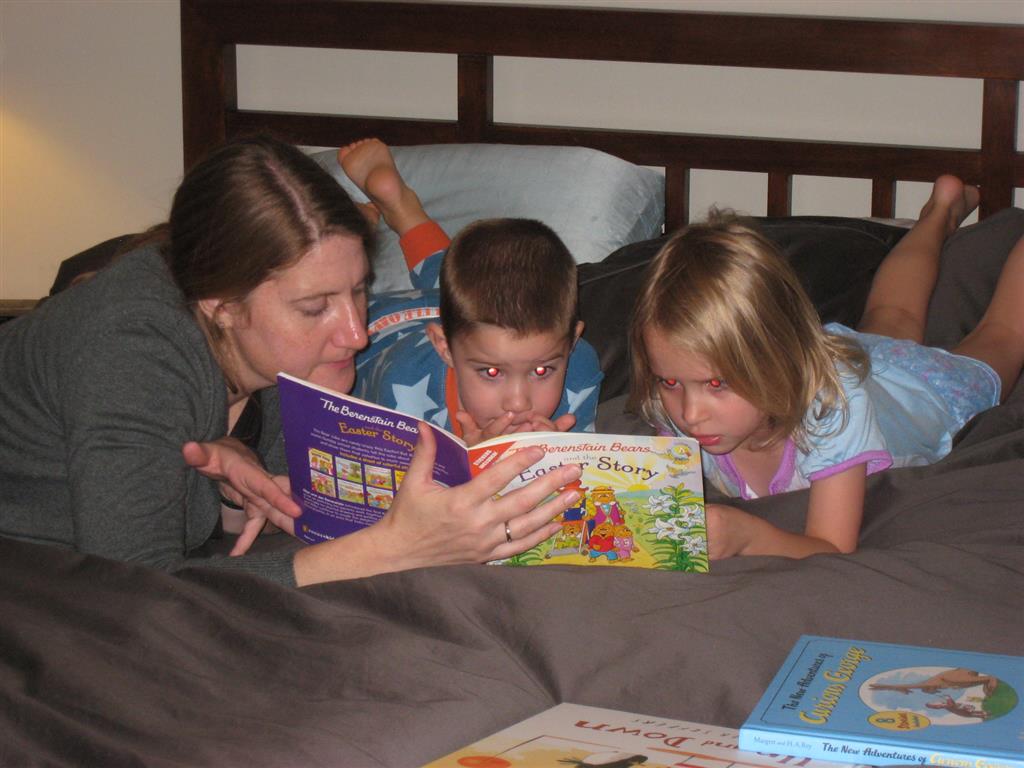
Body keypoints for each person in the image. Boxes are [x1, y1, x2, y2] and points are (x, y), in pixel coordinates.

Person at [0, 136, 583, 587]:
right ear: (223, 305)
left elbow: (292, 513)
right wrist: (391, 550)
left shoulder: (290, 368)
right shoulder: (132, 350)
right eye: (314, 307)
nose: (355, 333)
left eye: (359, 290)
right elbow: (136, 590)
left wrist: (476, 469)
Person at [629, 175, 1024, 560]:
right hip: (848, 359)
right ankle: (940, 211)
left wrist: (748, 538)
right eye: (669, 381)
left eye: (716, 384)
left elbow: (832, 546)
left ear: (777, 356)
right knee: (890, 315)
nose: (690, 414)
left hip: (920, 397)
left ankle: (944, 215)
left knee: (1002, 336)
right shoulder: (673, 408)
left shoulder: (832, 413)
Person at [339, 138, 603, 445]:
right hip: (381, 325)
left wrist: (555, 453)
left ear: (572, 342)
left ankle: (397, 206)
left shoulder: (579, 366)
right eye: (491, 373)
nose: (518, 403)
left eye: (542, 370)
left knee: (456, 281)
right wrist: (471, 461)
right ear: (444, 348)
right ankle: (380, 217)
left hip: (462, 322)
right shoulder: (402, 390)